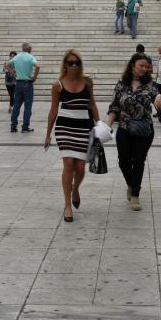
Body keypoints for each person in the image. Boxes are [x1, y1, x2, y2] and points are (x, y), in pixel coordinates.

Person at [105, 53, 161, 211]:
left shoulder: (150, 85)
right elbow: (114, 107)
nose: (144, 69)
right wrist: (107, 125)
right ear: (132, 65)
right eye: (141, 65)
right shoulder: (121, 84)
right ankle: (131, 185)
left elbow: (157, 98)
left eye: (147, 67)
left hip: (144, 130)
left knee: (138, 162)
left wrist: (160, 100)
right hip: (124, 129)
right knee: (123, 161)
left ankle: (135, 195)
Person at [45, 49, 100, 223]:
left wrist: (99, 125)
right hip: (65, 128)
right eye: (70, 63)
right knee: (68, 164)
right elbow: (53, 110)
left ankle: (75, 189)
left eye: (77, 62)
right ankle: (67, 204)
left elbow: (92, 105)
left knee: (80, 168)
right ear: (65, 65)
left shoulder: (88, 82)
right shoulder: (58, 85)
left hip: (84, 127)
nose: (74, 66)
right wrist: (48, 134)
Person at [9, 43, 40, 133]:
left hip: (18, 83)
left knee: (16, 106)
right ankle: (25, 127)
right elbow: (37, 66)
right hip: (27, 84)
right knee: (27, 107)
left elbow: (7, 65)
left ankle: (13, 127)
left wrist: (13, 73)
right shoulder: (30, 57)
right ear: (29, 48)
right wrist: (34, 77)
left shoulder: (16, 57)